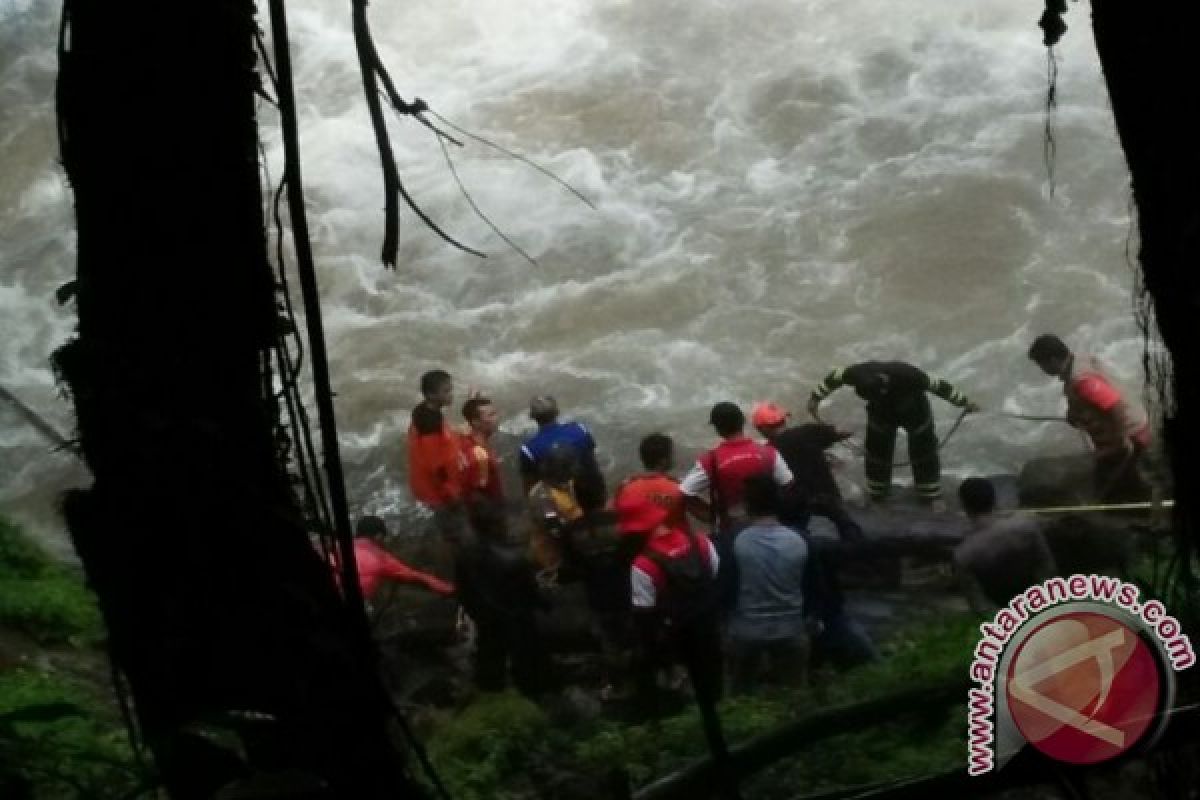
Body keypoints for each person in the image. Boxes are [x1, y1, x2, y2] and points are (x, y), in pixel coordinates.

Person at [806, 362, 980, 508]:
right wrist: (815, 398)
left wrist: (964, 402)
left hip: (913, 409)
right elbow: (835, 377)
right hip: (881, 412)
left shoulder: (910, 376)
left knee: (923, 451)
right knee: (877, 452)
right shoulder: (858, 373)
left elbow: (939, 386)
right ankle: (878, 495)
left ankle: (929, 495)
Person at [616, 490, 722, 719]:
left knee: (686, 705)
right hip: (710, 632)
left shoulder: (643, 565)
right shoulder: (701, 542)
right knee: (716, 692)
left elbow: (645, 618)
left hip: (677, 645)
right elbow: (714, 575)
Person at [1027, 334, 1152, 502]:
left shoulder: (1081, 381)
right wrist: (1075, 413)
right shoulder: (1079, 361)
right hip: (1134, 423)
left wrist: (1123, 439)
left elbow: (1115, 405)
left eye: (1041, 365)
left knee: (1110, 486)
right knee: (1113, 478)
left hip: (1129, 433)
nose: (1043, 370)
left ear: (1053, 360)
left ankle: (1138, 508)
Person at [454, 501, 556, 699]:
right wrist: (547, 603)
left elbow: (463, 592)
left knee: (490, 659)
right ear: (497, 525)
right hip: (517, 618)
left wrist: (475, 613)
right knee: (531, 661)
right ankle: (538, 692)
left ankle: (490, 692)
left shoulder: (464, 556)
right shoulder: (514, 557)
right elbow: (531, 592)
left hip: (486, 619)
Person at [726, 474, 810, 692]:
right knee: (795, 692)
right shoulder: (800, 539)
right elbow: (812, 585)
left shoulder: (734, 540)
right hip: (791, 628)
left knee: (739, 694)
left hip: (747, 630)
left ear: (747, 506)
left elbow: (726, 588)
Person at [751, 401, 863, 542]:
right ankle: (858, 548)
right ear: (784, 419)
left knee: (799, 534)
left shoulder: (769, 452)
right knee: (845, 523)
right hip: (826, 493)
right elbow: (842, 432)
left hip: (798, 503)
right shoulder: (810, 431)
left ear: (763, 429)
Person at [680, 402, 794, 535]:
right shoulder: (769, 453)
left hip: (732, 528)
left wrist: (711, 516)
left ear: (718, 429)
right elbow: (788, 484)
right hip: (768, 525)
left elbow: (684, 493)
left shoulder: (710, 461)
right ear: (743, 421)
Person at [954, 478, 1058, 614]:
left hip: (1005, 612)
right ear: (995, 500)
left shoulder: (963, 554)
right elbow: (1048, 568)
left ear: (963, 506)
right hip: (1038, 600)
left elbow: (979, 606)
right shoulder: (1026, 526)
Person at [407, 370, 467, 554]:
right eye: (446, 391)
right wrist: (450, 492)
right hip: (437, 488)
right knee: (451, 520)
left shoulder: (423, 410)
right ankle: (454, 550)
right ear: (432, 395)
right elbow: (436, 466)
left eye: (451, 389)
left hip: (426, 480)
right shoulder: (429, 424)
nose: (451, 395)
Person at [339, 516, 455, 604]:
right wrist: (450, 590)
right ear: (378, 536)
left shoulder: (339, 547)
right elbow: (416, 576)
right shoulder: (379, 557)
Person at [520, 395, 607, 511]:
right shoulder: (580, 429)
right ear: (557, 412)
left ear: (532, 417)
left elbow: (530, 486)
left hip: (561, 502)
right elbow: (593, 460)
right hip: (592, 490)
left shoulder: (528, 449)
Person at [612, 433, 690, 532]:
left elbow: (617, 513)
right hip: (670, 543)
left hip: (635, 543)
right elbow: (703, 514)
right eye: (672, 454)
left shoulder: (625, 486)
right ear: (664, 461)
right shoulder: (677, 486)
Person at [458, 394, 504, 507]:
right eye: (491, 415)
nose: (496, 418)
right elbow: (477, 494)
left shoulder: (467, 439)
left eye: (495, 413)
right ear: (475, 422)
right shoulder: (479, 455)